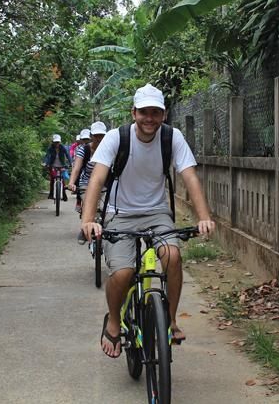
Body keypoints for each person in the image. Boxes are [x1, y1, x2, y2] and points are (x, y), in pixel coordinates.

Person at [80, 84, 215, 358]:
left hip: (156, 212)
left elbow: (189, 177)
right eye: (144, 112)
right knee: (123, 273)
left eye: (156, 112)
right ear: (134, 113)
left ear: (164, 114)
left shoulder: (171, 137)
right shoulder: (117, 138)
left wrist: (204, 218)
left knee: (172, 256)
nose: (149, 118)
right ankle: (115, 322)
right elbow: (97, 178)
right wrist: (88, 220)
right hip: (119, 214)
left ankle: (171, 319)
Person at [67, 123, 106, 240]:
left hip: (105, 184)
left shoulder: (109, 148)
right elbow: (77, 168)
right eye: (96, 135)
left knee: (107, 208)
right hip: (86, 184)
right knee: (90, 205)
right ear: (91, 136)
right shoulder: (83, 149)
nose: (99, 138)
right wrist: (72, 182)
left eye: (101, 135)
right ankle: (85, 229)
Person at [42, 134, 71, 201]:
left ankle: (64, 195)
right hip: (53, 165)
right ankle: (51, 194)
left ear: (60, 142)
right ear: (53, 142)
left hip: (61, 166)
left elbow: (67, 155)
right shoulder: (50, 148)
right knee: (52, 179)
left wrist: (70, 163)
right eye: (55, 142)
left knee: (63, 181)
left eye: (58, 142)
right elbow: (47, 155)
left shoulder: (63, 147)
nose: (56, 144)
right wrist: (45, 162)